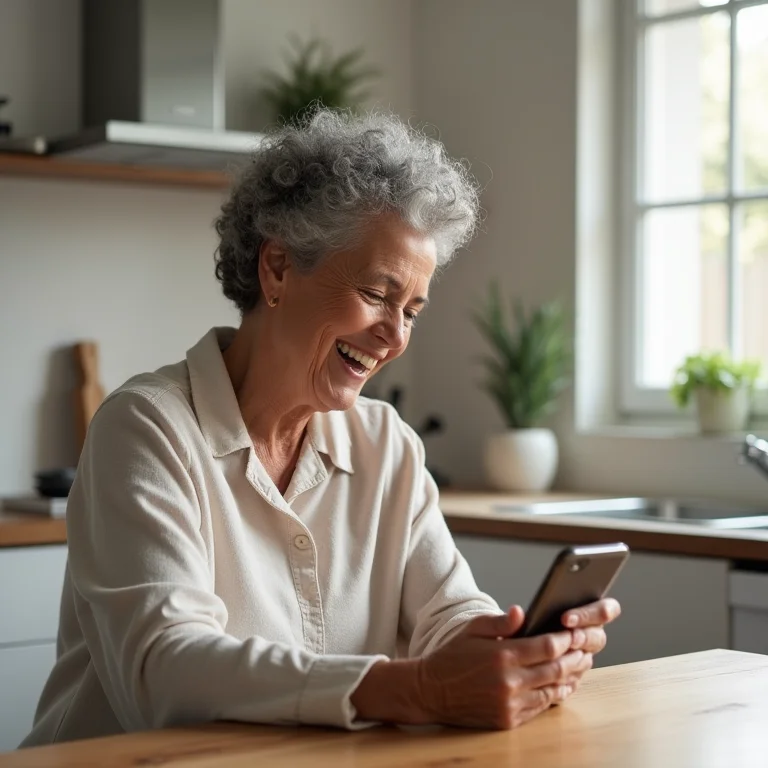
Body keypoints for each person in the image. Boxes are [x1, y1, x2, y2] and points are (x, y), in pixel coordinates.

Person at [21, 110, 620, 746]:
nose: (395, 336)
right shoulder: (147, 428)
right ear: (277, 268)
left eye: (411, 310)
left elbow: (448, 610)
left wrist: (506, 651)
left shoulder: (387, 443)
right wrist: (417, 689)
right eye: (376, 294)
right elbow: (164, 671)